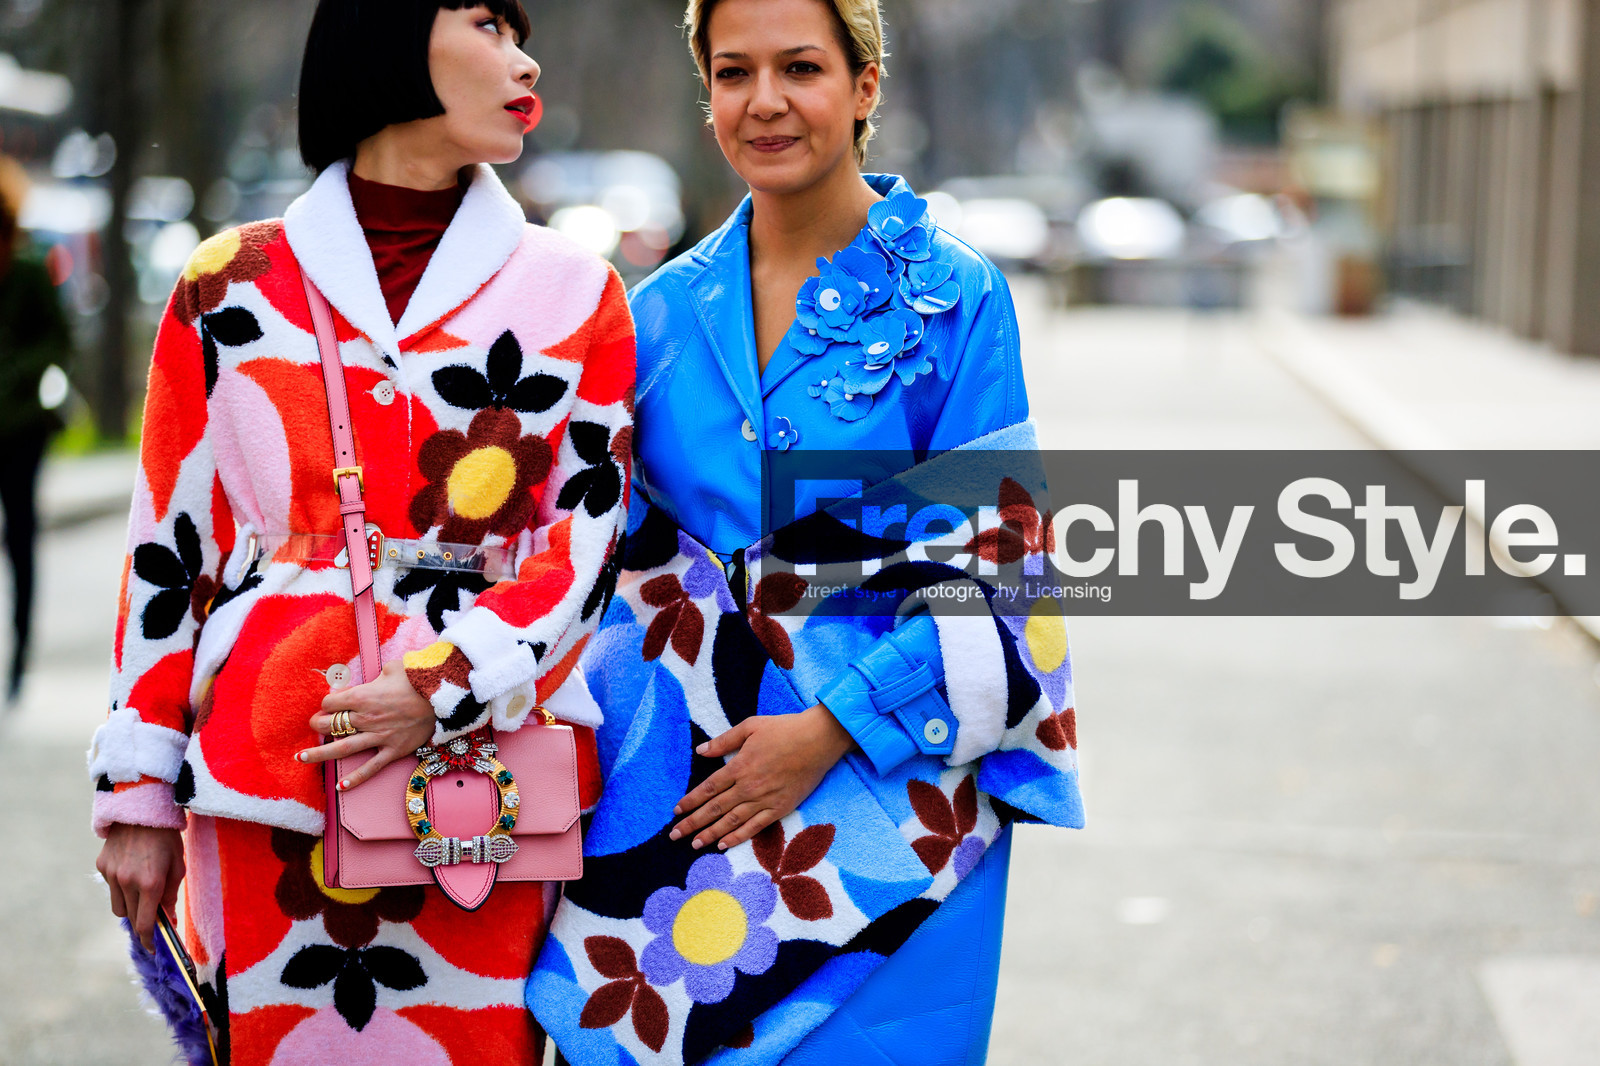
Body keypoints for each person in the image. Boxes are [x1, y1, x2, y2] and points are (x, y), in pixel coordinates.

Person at [529, 1, 1081, 1063]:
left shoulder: (955, 300)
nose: (765, 101)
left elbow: (1003, 564)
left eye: (801, 68)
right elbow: (602, 562)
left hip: (900, 810)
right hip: (689, 821)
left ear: (864, 87)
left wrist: (829, 725)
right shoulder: (654, 315)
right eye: (733, 73)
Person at [89, 2, 634, 1061]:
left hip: (483, 772)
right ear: (386, 38)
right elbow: (168, 550)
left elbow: (585, 545)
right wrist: (137, 792)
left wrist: (442, 678)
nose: (525, 58)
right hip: (260, 778)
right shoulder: (228, 284)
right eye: (489, 23)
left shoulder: (575, 292)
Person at [0, 157, 72, 705]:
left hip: (21, 427)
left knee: (20, 535)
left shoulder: (28, 270)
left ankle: (20, 655)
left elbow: (57, 340)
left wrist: (19, 371)